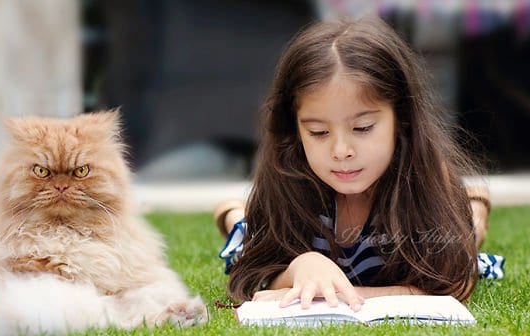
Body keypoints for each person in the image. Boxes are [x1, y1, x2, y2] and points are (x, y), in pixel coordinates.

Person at [214, 17, 502, 310]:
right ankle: (231, 211)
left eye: (363, 127)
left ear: (400, 119)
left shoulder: (426, 180)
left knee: (468, 239)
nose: (341, 151)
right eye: (319, 132)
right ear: (295, 129)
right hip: (273, 224)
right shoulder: (288, 176)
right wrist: (301, 267)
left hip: (441, 211)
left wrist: (344, 294)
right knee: (245, 233)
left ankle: (476, 204)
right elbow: (256, 274)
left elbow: (453, 283)